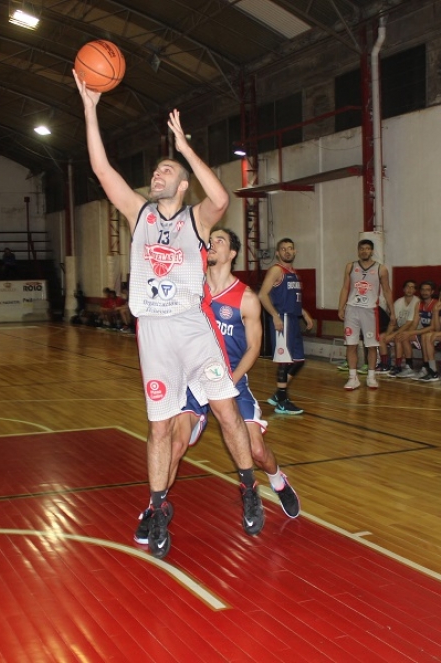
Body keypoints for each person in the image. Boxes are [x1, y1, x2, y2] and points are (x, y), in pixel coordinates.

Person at [76, 69, 263, 559]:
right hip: (153, 333)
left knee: (226, 411)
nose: (156, 175)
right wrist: (91, 109)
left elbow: (220, 198)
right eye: (156, 172)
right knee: (160, 427)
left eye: (165, 172)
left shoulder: (194, 220)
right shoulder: (138, 214)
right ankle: (158, 507)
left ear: (181, 185)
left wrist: (184, 150)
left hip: (191, 327)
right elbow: (102, 171)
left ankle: (247, 486)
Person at [152, 229, 300, 533]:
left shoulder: (246, 298)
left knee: (257, 452)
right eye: (210, 240)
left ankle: (277, 480)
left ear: (232, 253)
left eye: (219, 240)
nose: (211, 244)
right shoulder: (191, 289)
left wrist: (227, 383)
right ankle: (154, 509)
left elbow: (254, 349)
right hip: (193, 381)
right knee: (176, 444)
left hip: (230, 379)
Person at [258, 238, 315, 412]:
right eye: (283, 249)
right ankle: (282, 402)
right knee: (284, 361)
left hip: (293, 319)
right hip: (283, 319)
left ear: (295, 251)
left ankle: (278, 395)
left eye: (290, 248)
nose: (287, 251)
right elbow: (262, 295)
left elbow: (292, 298)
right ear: (277, 253)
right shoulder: (277, 270)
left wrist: (304, 313)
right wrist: (275, 316)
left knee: (298, 360)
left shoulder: (294, 273)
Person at [336, 239, 394, 391]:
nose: (364, 251)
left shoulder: (381, 269)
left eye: (368, 249)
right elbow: (345, 288)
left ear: (372, 251)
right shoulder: (350, 266)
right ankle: (352, 377)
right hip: (352, 309)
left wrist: (392, 312)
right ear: (358, 250)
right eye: (362, 248)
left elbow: (387, 290)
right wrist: (341, 307)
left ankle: (371, 377)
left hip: (370, 311)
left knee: (371, 346)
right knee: (351, 344)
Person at [381, 280, 419, 377]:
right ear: (403, 289)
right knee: (381, 337)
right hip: (399, 329)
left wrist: (392, 335)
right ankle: (385, 365)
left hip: (414, 330)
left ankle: (400, 366)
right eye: (407, 286)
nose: (409, 289)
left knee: (399, 337)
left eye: (412, 287)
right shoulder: (398, 302)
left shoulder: (417, 302)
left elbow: (409, 324)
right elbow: (393, 321)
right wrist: (388, 334)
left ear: (415, 290)